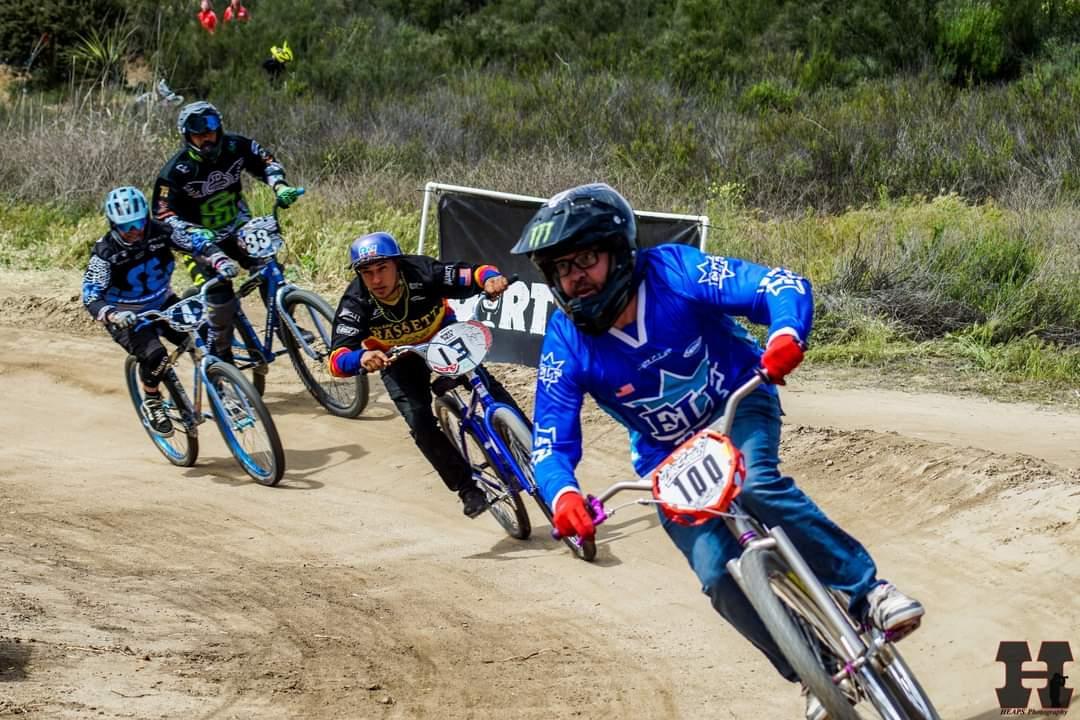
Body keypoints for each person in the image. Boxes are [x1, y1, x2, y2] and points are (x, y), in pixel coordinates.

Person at [511, 183, 925, 720]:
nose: (574, 277)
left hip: (737, 404)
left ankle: (868, 593)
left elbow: (778, 285)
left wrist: (784, 335)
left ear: (618, 250)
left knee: (755, 486)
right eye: (561, 268)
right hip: (668, 460)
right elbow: (548, 438)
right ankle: (812, 672)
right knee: (715, 573)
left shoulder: (674, 271)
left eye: (585, 259)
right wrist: (563, 493)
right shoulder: (564, 341)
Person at [327, 232, 522, 518]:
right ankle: (467, 489)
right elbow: (336, 360)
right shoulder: (355, 301)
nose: (377, 280)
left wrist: (491, 279)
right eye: (367, 273)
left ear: (398, 263)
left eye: (382, 269)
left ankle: (530, 442)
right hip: (397, 359)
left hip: (442, 337)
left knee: (483, 382)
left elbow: (472, 273)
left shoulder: (421, 271)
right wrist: (362, 357)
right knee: (419, 422)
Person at [151, 101, 303, 365]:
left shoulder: (236, 146)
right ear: (188, 136)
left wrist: (279, 186)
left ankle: (285, 325)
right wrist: (189, 231)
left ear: (219, 128)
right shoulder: (175, 170)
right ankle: (223, 362)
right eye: (198, 134)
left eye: (210, 130)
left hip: (238, 227)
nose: (206, 138)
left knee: (269, 268)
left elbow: (267, 161)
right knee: (221, 301)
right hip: (200, 242)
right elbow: (162, 213)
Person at [83, 186, 238, 435]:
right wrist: (113, 315)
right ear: (113, 224)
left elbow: (195, 241)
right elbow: (91, 295)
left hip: (163, 301)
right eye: (126, 226)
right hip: (126, 315)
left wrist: (219, 259)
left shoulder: (160, 230)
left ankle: (224, 389)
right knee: (156, 356)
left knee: (205, 336)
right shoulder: (104, 253)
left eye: (138, 223)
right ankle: (152, 400)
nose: (135, 231)